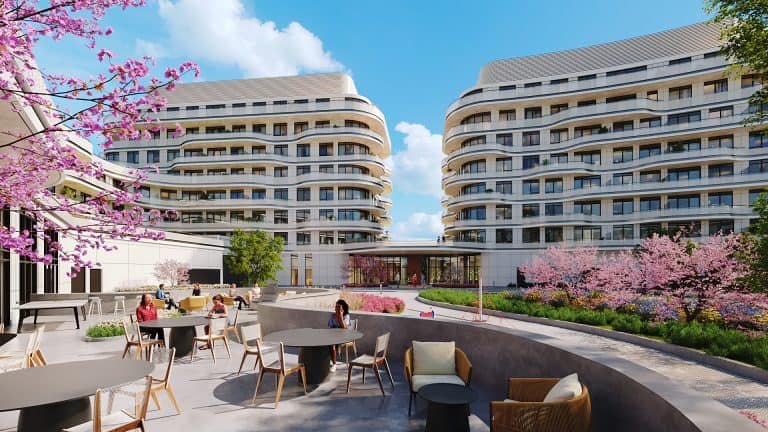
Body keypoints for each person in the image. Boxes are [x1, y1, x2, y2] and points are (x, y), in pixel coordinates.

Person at [327, 299, 350, 372]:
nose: (336, 308)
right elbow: (330, 326)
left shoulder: (346, 316)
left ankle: (334, 364)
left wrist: (340, 317)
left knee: (332, 344)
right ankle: (326, 361)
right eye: (336, 306)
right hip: (333, 336)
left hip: (343, 337)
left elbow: (344, 328)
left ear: (343, 308)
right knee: (325, 342)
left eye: (339, 306)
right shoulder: (332, 316)